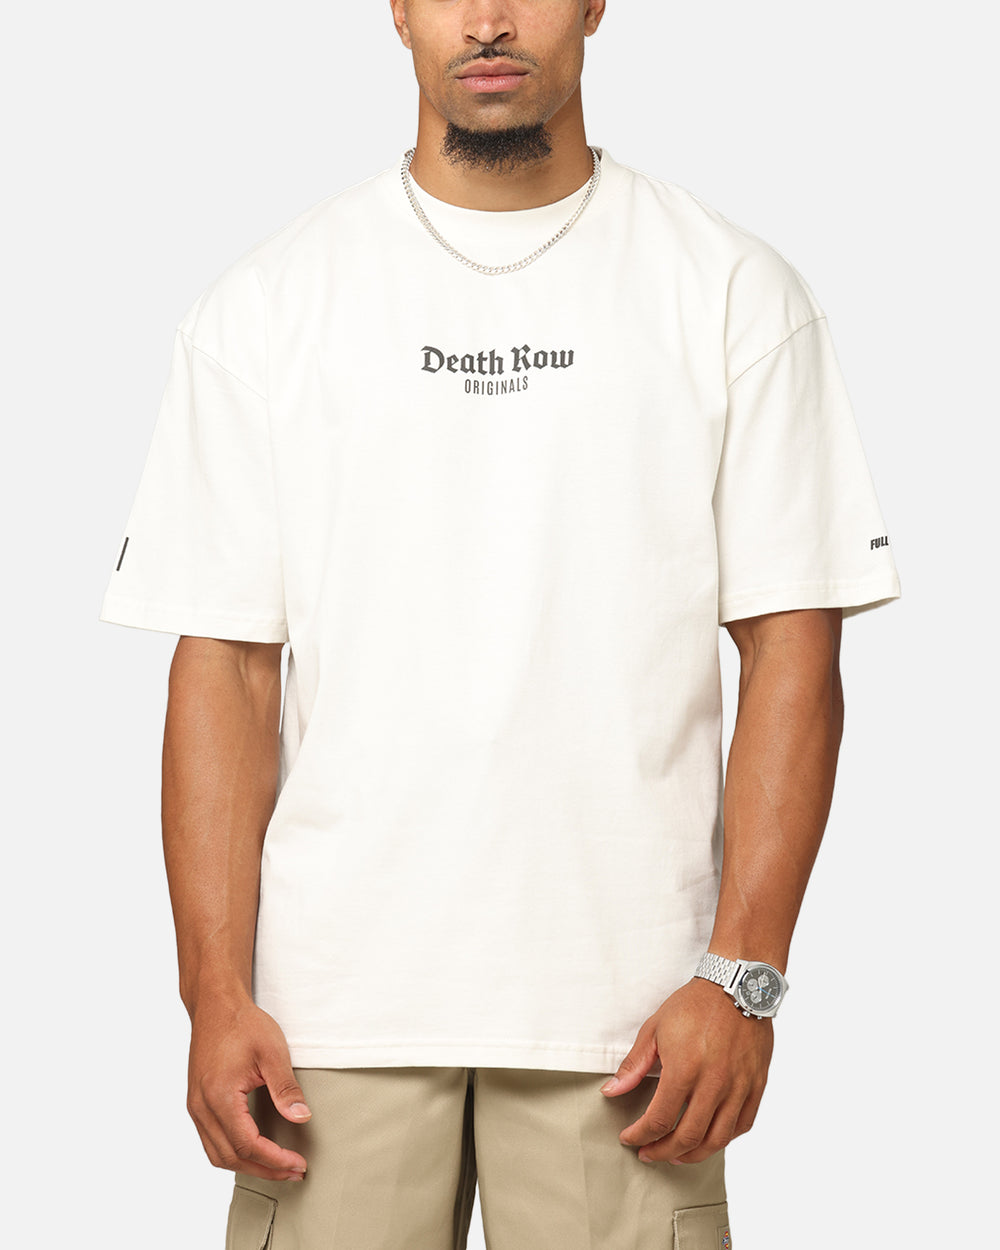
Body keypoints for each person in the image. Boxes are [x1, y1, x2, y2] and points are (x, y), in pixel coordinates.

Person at [99, 2, 901, 1247]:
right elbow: (226, 667)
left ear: (593, 4)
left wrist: (742, 978)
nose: (486, 19)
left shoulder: (730, 290)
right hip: (328, 1020)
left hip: (634, 1022)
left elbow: (793, 648)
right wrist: (212, 993)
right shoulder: (268, 304)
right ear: (397, 9)